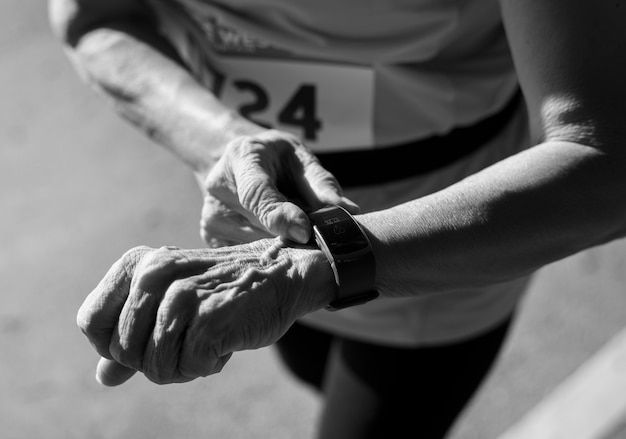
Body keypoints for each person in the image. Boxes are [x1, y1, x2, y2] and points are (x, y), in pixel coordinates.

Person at [50, 0, 626, 437]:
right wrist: (224, 142)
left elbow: (605, 161)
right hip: (257, 244)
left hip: (441, 255)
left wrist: (323, 264)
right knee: (315, 373)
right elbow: (93, 19)